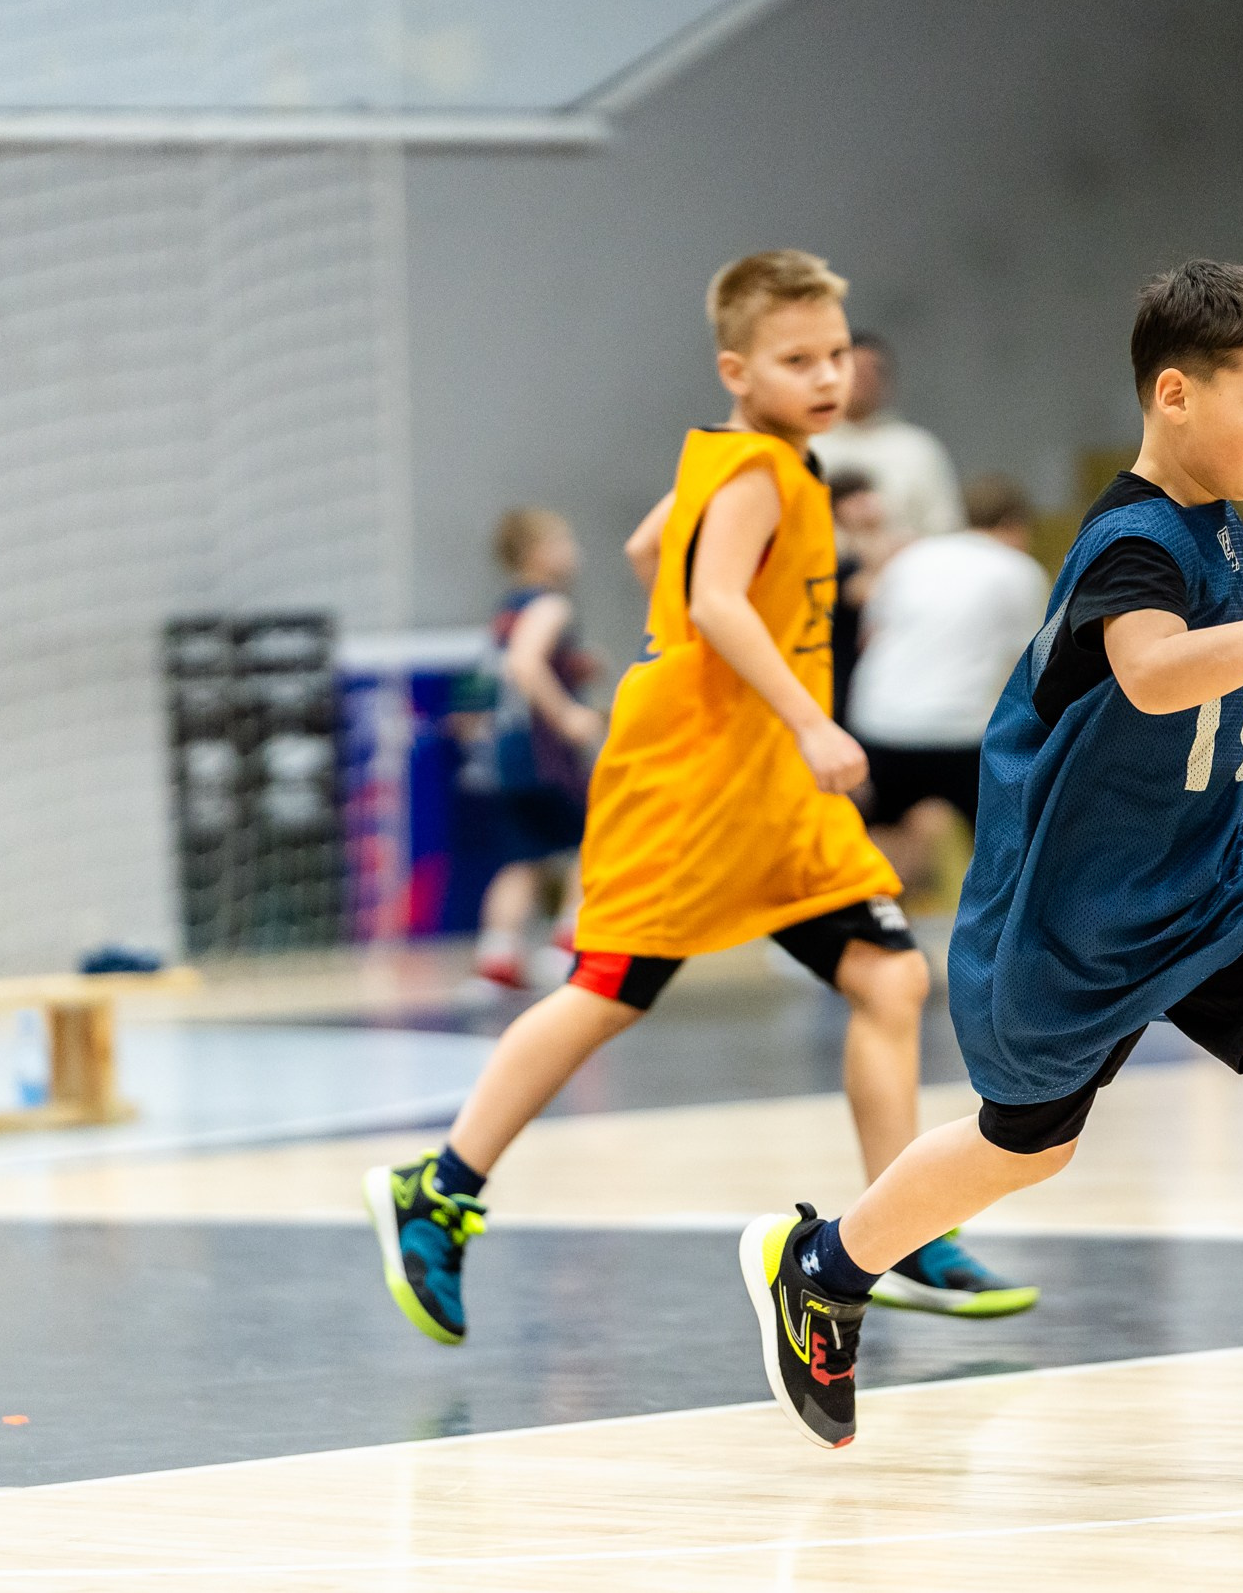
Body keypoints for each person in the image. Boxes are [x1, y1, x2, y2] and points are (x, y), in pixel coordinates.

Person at [741, 260, 1243, 1453]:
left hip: (1208, 868)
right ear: (1175, 395)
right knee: (1026, 1147)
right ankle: (828, 1264)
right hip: (1079, 904)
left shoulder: (1216, 518)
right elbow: (1154, 673)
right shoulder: (1132, 540)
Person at [368, 250, 1032, 1346]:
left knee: (889, 976)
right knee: (608, 991)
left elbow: (648, 549)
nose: (825, 377)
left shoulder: (763, 460)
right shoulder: (761, 472)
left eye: (833, 355)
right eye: (796, 360)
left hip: (771, 787)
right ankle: (436, 1187)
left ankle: (895, 1232)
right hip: (702, 777)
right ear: (736, 367)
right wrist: (806, 715)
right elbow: (714, 598)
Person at [847, 474, 1049, 896]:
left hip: (879, 721)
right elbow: (1032, 666)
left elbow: (870, 636)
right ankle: (999, 939)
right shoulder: (1018, 568)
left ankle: (872, 923)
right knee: (1008, 842)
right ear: (1015, 526)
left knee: (875, 834)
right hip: (960, 732)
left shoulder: (913, 557)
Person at [466, 507, 603, 991]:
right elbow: (525, 665)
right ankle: (571, 940)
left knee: (523, 857)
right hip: (544, 754)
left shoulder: (508, 609)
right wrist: (567, 713)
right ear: (536, 553)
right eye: (564, 540)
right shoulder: (550, 605)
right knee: (599, 837)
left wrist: (573, 668)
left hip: (506, 757)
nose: (574, 552)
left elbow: (500, 671)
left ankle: (497, 956)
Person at [813, 332, 964, 541]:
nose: (862, 379)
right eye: (853, 369)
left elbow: (943, 527)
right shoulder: (808, 445)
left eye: (872, 370)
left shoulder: (917, 448)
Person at [825, 472, 895, 733]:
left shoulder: (888, 542)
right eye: (855, 499)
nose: (867, 504)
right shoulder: (833, 551)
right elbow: (863, 593)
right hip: (838, 664)